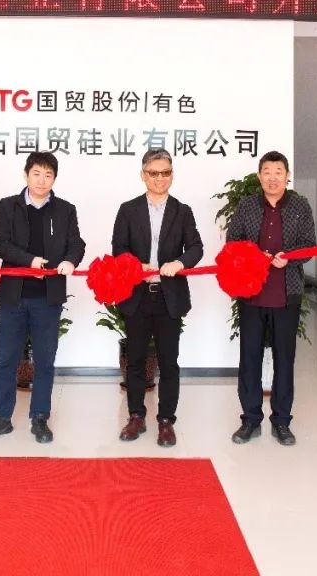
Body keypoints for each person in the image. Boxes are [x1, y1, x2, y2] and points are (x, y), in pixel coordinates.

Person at [0, 152, 85, 444]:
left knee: (45, 360)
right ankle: (2, 418)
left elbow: (77, 243)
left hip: (48, 298)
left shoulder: (65, 210)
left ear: (54, 179)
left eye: (48, 175)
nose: (42, 180)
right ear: (26, 174)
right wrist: (30, 261)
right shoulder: (8, 205)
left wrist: (71, 260)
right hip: (14, 295)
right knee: (6, 358)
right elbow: (0, 244)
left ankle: (39, 417)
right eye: (36, 173)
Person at [112, 149, 204, 447]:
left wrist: (180, 262)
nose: (160, 178)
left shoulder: (182, 211)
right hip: (138, 295)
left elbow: (196, 248)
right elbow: (118, 249)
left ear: (172, 175)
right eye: (154, 173)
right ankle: (136, 417)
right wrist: (133, 265)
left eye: (165, 173)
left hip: (168, 297)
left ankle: (166, 421)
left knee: (169, 361)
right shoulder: (128, 209)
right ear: (143, 175)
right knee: (136, 360)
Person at [226, 151, 316, 446]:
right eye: (267, 172)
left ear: (287, 176)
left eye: (279, 172)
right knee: (249, 358)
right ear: (259, 176)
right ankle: (250, 420)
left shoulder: (300, 206)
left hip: (286, 293)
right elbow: (233, 243)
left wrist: (288, 258)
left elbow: (309, 246)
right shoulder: (247, 205)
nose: (273, 178)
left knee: (284, 359)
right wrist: (255, 255)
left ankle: (282, 421)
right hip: (252, 293)